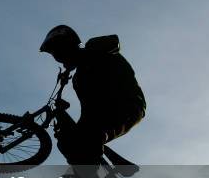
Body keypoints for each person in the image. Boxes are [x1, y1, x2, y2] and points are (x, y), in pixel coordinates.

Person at [39, 25, 146, 168]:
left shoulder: (95, 48)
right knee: (66, 142)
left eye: (60, 54)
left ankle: (93, 167)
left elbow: (114, 43)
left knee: (92, 134)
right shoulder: (78, 79)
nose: (61, 60)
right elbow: (88, 112)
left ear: (69, 46)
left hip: (127, 104)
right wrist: (67, 127)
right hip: (104, 113)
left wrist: (85, 56)